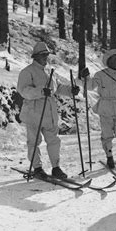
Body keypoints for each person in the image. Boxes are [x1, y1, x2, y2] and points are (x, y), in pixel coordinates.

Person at [17, 42, 80, 179]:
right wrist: (40, 92)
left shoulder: (49, 71)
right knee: (34, 142)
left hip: (50, 113)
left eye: (46, 55)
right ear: (35, 56)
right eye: (42, 55)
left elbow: (57, 88)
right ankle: (37, 168)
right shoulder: (27, 72)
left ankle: (56, 167)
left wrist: (71, 91)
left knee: (54, 141)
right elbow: (23, 91)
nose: (45, 57)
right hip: (34, 113)